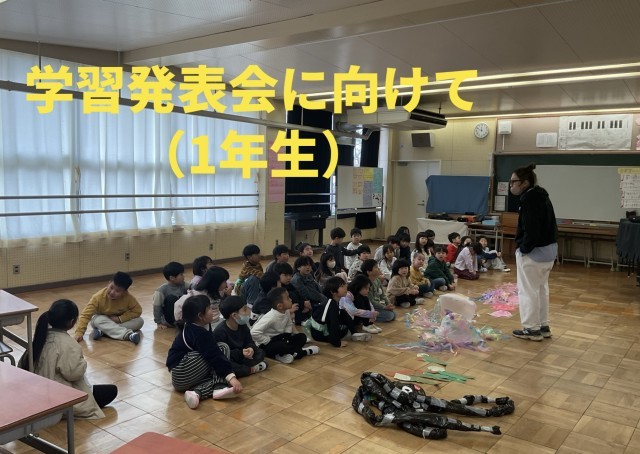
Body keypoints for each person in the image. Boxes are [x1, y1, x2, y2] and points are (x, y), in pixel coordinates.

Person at [20, 299, 117, 419]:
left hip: (34, 395)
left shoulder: (39, 337)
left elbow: (22, 365)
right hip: (55, 399)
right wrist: (83, 363)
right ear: (71, 322)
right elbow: (74, 374)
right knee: (111, 391)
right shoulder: (69, 344)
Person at [167, 295, 243, 409]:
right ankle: (219, 386)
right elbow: (214, 355)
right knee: (222, 348)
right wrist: (231, 377)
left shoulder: (196, 325)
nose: (213, 311)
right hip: (182, 371)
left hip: (181, 378)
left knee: (215, 369)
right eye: (209, 308)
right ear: (200, 316)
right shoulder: (198, 332)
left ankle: (196, 393)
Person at [510, 163, 558, 341]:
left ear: (524, 183)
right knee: (541, 289)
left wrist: (523, 249)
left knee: (528, 291)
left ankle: (531, 329)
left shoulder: (530, 199)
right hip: (548, 252)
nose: (511, 185)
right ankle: (543, 325)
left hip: (534, 253)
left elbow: (532, 229)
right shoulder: (541, 195)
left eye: (513, 181)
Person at [250, 287, 319, 363]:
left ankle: (284, 354)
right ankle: (303, 352)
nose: (291, 299)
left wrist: (287, 335)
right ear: (280, 306)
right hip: (266, 344)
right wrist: (267, 340)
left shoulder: (286, 311)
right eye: (288, 298)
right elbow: (254, 332)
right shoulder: (271, 317)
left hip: (281, 338)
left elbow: (289, 324)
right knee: (281, 346)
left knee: (301, 337)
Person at [74, 272, 143, 345]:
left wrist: (120, 318)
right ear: (109, 283)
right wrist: (79, 332)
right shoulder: (97, 297)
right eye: (111, 287)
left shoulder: (128, 298)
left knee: (140, 321)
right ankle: (129, 335)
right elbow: (85, 315)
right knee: (97, 320)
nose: (112, 292)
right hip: (101, 320)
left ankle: (103, 331)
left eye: (117, 291)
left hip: (117, 322)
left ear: (124, 292)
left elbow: (137, 311)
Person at [308, 276, 371, 347]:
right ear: (333, 292)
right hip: (320, 333)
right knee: (344, 330)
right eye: (342, 286)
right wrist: (337, 343)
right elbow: (333, 324)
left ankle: (353, 332)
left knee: (343, 312)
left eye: (345, 285)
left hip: (323, 327)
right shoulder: (332, 305)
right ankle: (347, 334)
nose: (345, 287)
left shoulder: (334, 301)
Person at [213, 296, 267, 377]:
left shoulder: (243, 326)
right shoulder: (220, 332)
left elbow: (250, 342)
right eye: (245, 309)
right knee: (228, 365)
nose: (249, 311)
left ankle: (246, 368)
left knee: (260, 352)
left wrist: (251, 348)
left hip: (243, 356)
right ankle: (250, 369)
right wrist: (241, 353)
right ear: (234, 315)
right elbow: (223, 354)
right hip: (232, 357)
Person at [152, 261, 188, 329]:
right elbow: (157, 307)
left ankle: (185, 321)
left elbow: (194, 288)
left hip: (182, 315)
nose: (183, 276)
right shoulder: (161, 290)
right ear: (172, 278)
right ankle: (178, 323)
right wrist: (158, 322)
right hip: (170, 319)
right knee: (171, 298)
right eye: (181, 274)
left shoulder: (184, 285)